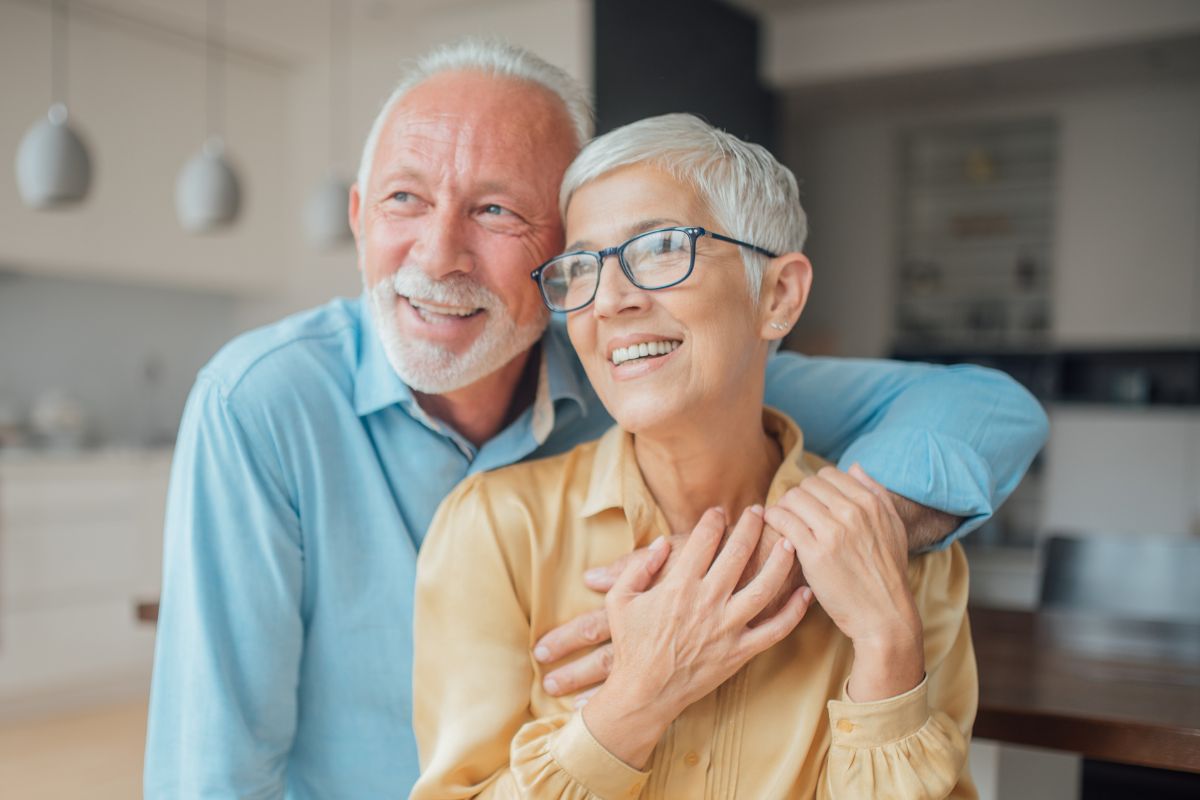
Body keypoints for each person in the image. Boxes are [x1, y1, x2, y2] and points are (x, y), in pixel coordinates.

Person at [144, 39, 1044, 799]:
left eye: (495, 210)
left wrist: (797, 560)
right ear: (357, 216)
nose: (439, 253)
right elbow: (211, 760)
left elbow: (987, 407)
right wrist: (641, 692)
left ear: (551, 253)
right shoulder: (263, 400)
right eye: (403, 199)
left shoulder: (647, 363)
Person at [412, 112, 977, 799]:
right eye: (582, 268)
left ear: (779, 295)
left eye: (659, 248)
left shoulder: (902, 555)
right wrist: (638, 699)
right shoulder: (496, 529)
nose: (609, 301)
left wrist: (888, 648)